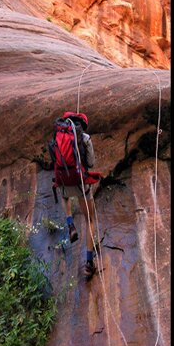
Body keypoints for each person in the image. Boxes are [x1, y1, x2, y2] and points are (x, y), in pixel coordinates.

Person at [55, 111, 96, 278]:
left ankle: (70, 223)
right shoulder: (85, 138)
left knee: (64, 196)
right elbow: (91, 163)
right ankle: (89, 263)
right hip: (80, 183)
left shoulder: (57, 135)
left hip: (64, 181)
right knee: (90, 220)